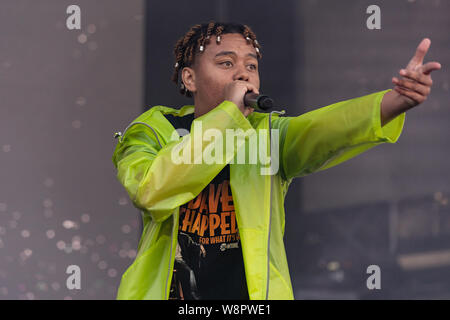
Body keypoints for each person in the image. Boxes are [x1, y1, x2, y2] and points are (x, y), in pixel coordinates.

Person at [111, 21, 441, 300]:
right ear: (189, 79)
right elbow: (151, 190)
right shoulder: (151, 133)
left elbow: (327, 129)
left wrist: (396, 100)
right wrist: (228, 116)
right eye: (226, 63)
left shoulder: (269, 136)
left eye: (251, 66)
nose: (243, 74)